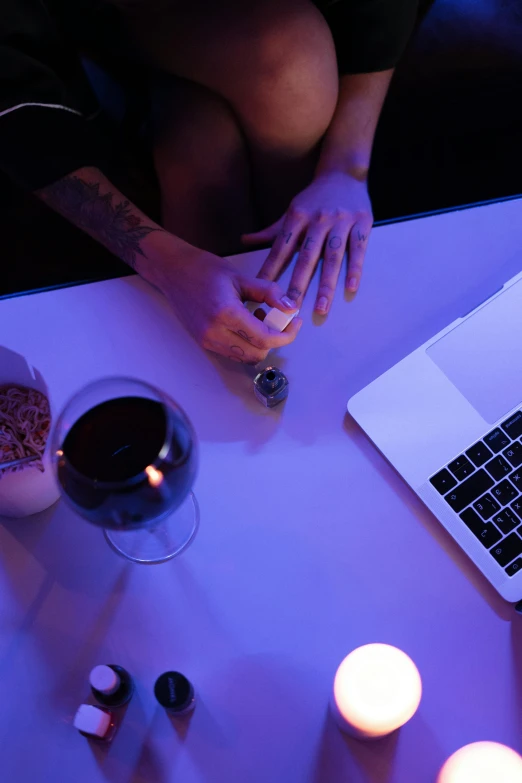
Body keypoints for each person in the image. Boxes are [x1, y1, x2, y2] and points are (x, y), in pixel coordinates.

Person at [0, 0, 418, 364]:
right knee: (292, 59)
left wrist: (345, 167)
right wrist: (168, 264)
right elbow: (15, 108)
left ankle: (275, 317)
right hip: (105, 18)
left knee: (205, 142)